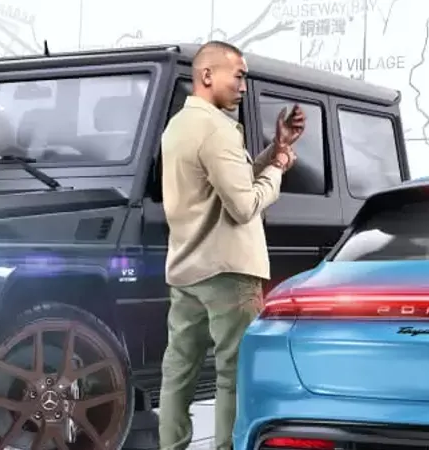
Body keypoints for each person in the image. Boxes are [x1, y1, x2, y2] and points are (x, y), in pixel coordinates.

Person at [158, 40, 305, 450]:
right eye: (238, 76)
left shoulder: (179, 127)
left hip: (186, 269)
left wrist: (275, 150)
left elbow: (226, 182)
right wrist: (277, 169)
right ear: (207, 75)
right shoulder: (217, 130)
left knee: (178, 372)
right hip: (229, 272)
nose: (243, 86)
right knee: (235, 374)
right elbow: (243, 206)